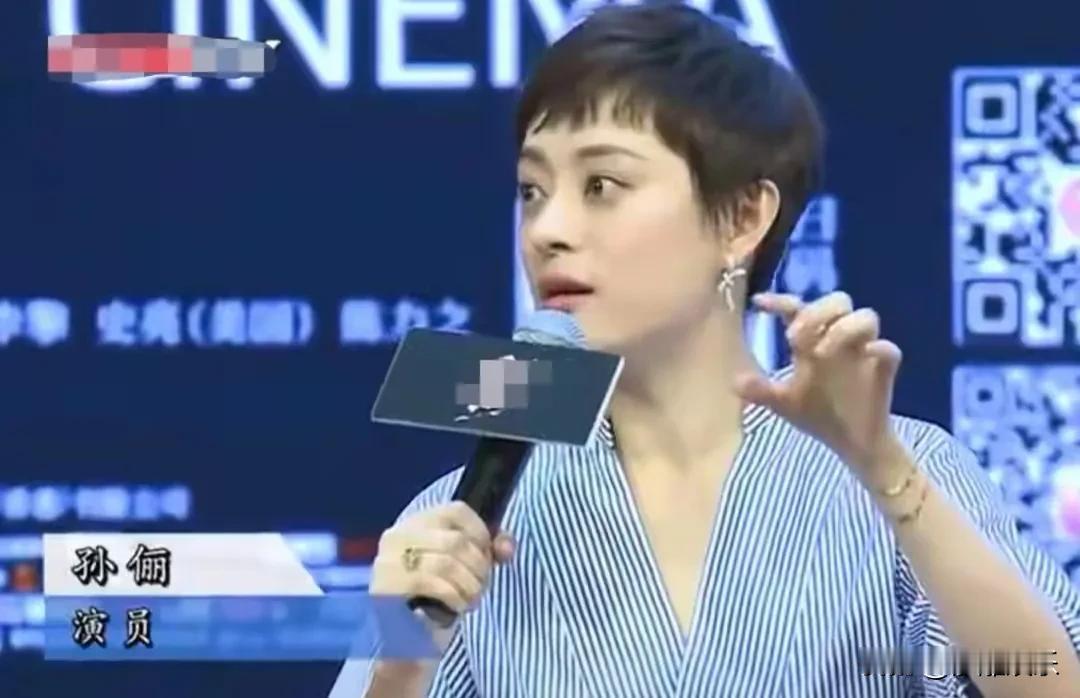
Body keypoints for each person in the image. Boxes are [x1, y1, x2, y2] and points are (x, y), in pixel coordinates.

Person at [331, 4, 1080, 697]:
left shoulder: (902, 472)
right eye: (532, 191)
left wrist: (883, 470)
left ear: (742, 218)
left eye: (601, 185)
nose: (547, 230)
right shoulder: (459, 523)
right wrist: (402, 651)